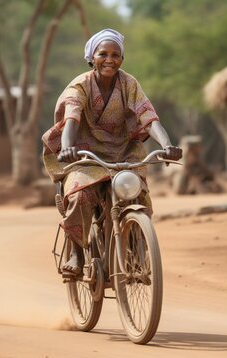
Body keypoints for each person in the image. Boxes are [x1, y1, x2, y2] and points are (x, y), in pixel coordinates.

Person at [42, 29, 182, 276]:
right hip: (84, 154)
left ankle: (136, 249)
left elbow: (148, 116)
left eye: (115, 55)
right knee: (80, 196)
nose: (109, 59)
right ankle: (76, 253)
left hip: (123, 152)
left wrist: (166, 144)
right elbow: (71, 119)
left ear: (122, 59)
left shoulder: (129, 84)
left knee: (138, 195)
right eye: (103, 54)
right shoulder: (79, 86)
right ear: (91, 58)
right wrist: (67, 148)